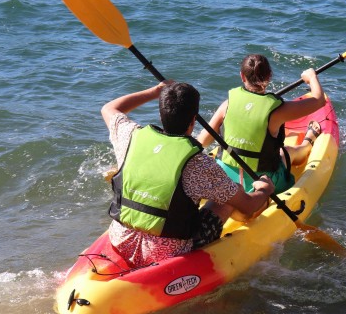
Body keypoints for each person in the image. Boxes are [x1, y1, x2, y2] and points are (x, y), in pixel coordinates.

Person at [101, 80, 275, 269]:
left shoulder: (130, 136)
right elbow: (248, 205)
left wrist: (155, 91)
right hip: (168, 254)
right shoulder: (200, 164)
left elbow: (109, 108)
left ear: (161, 114)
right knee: (227, 197)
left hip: (121, 239)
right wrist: (264, 190)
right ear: (193, 121)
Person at [197, 54, 325, 193]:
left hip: (224, 178)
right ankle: (307, 144)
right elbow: (319, 100)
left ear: (242, 76)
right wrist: (311, 77)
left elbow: (202, 141)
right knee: (285, 151)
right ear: (269, 76)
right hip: (262, 182)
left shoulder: (227, 104)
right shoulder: (278, 111)